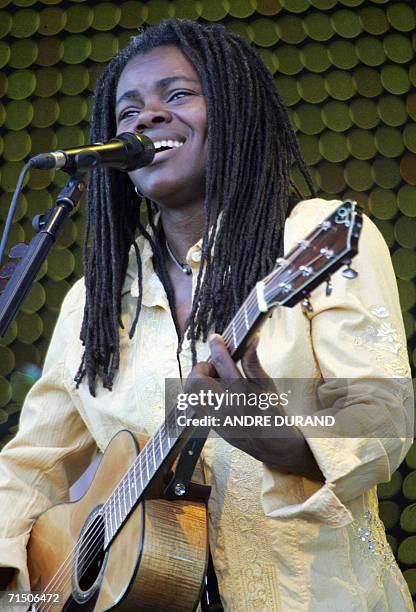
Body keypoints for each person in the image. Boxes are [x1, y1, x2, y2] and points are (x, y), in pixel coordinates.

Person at [0, 18, 413, 611]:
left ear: (235, 113)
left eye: (177, 95)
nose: (146, 119)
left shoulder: (313, 235)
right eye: (128, 111)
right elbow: (30, 465)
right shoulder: (94, 301)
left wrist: (286, 433)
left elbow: (382, 414)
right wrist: (21, 596)